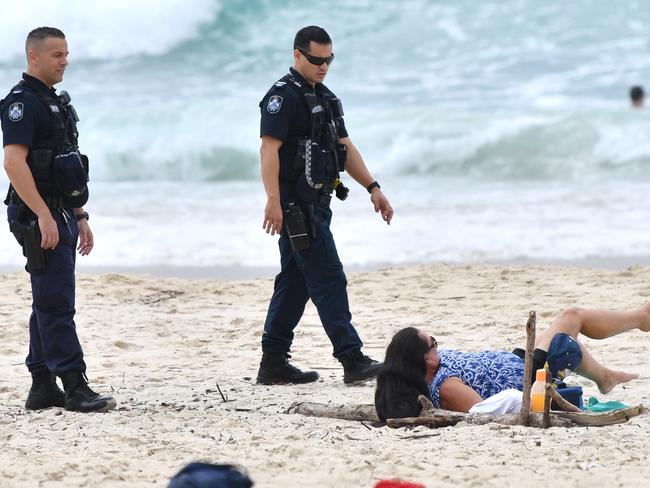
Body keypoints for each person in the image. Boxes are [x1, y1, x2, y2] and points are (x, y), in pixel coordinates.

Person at [257, 26, 394, 385]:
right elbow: (268, 150)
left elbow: (344, 147)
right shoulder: (282, 97)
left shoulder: (326, 98)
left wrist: (373, 187)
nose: (323, 66)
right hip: (295, 206)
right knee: (328, 276)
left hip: (318, 202)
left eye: (329, 60)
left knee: (296, 281)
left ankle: (272, 362)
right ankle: (351, 358)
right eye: (316, 60)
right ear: (297, 55)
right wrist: (273, 202)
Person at [2, 27, 115, 412]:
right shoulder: (22, 103)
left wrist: (80, 214)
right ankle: (74, 385)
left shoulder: (54, 102)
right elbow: (13, 163)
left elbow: (67, 164)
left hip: (60, 210)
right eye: (56, 55)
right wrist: (43, 214)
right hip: (38, 214)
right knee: (56, 303)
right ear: (33, 57)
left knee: (47, 299)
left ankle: (42, 384)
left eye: (66, 54)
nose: (65, 61)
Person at [375, 305, 649, 420]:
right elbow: (484, 410)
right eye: (433, 343)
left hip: (517, 360)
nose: (438, 344)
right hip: (528, 377)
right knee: (571, 318)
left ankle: (606, 376)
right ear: (425, 359)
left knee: (567, 325)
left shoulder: (433, 369)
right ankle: (641, 319)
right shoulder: (445, 387)